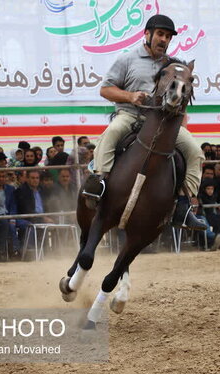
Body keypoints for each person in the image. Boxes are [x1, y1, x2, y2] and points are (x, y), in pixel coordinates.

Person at [82, 14, 206, 230]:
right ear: (147, 34)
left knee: (195, 151)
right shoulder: (127, 59)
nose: (164, 40)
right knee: (111, 133)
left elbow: (181, 97)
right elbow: (105, 89)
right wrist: (130, 96)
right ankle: (98, 184)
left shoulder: (173, 65)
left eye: (168, 36)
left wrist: (181, 124)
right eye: (160, 34)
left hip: (164, 124)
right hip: (130, 116)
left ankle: (184, 207)